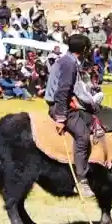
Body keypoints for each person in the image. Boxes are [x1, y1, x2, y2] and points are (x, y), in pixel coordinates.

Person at [45, 34, 105, 198]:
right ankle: (81, 180)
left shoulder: (67, 61)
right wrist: (61, 118)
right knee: (83, 136)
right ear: (84, 50)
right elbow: (62, 92)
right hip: (61, 107)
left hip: (67, 104)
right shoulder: (69, 64)